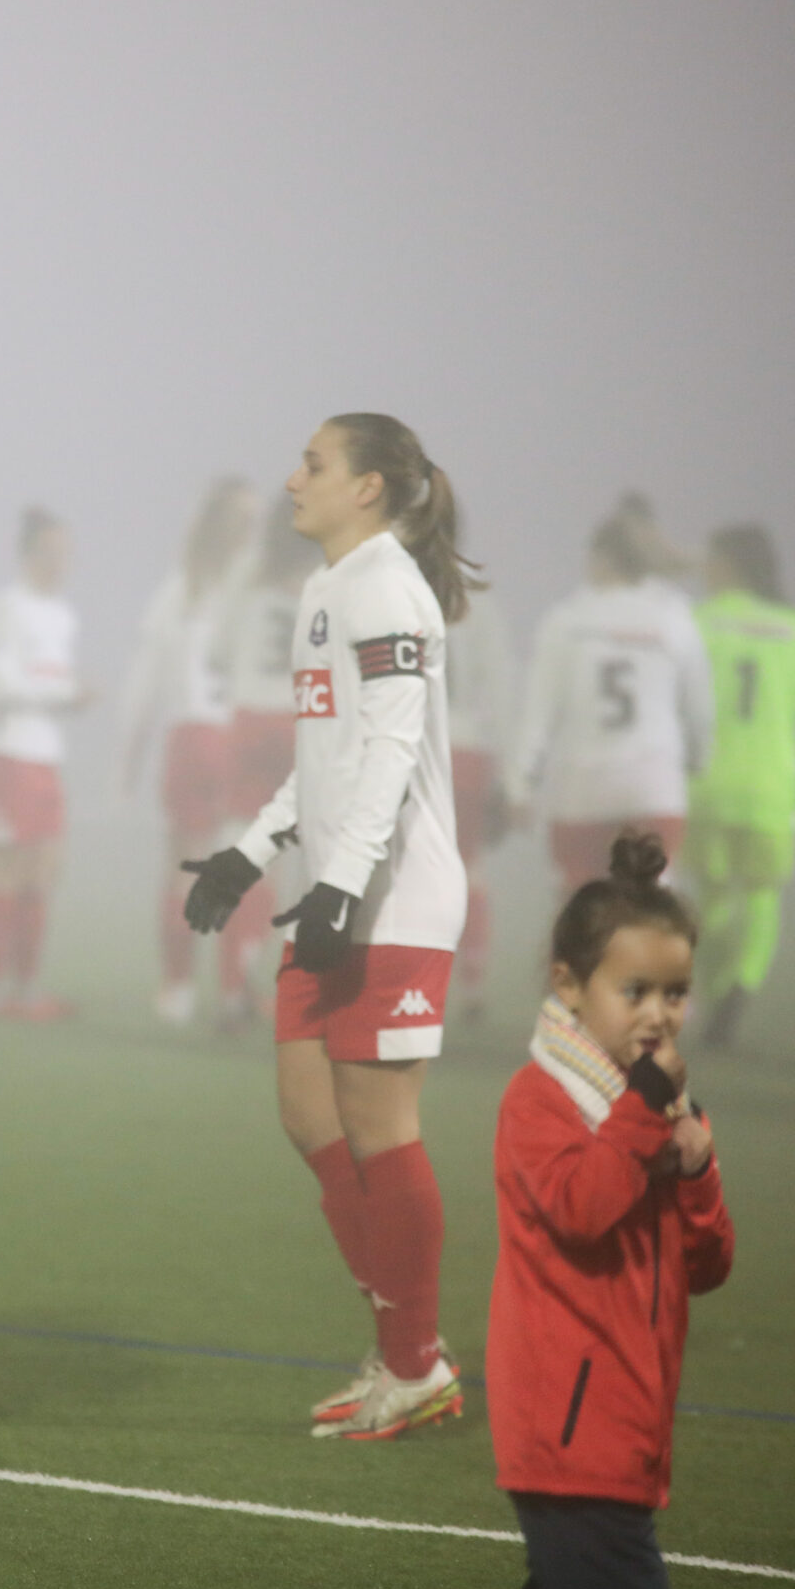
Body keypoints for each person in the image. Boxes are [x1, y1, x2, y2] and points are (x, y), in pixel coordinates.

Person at [180, 413, 473, 1439]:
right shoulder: (325, 589)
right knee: (308, 1116)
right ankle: (407, 1350)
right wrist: (248, 853)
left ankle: (414, 1363)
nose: (291, 477)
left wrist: (343, 887)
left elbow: (391, 757)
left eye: (313, 462)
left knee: (380, 1129)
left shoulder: (389, 586)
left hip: (395, 897)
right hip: (341, 891)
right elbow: (325, 766)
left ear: (370, 487)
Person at [463, 832, 733, 1589]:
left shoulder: (652, 1104)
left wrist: (697, 1173)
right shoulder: (541, 1099)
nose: (659, 1013)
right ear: (570, 986)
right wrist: (647, 1111)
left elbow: (710, 1264)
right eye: (636, 989)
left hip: (628, 1418)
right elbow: (581, 1207)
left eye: (677, 992)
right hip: (569, 1426)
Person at [687, 524, 795, 1047]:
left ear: (729, 565)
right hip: (773, 792)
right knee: (761, 896)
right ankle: (741, 986)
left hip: (706, 786)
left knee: (710, 898)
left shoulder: (701, 622)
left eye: (709, 560)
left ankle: (713, 990)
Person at [504, 514, 712, 895]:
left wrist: (520, 784)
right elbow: (698, 708)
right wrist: (697, 760)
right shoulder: (674, 617)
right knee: (654, 904)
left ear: (600, 558)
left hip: (583, 788)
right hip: (653, 783)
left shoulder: (567, 620)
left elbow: (539, 713)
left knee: (581, 903)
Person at [121, 479, 254, 1024]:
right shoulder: (259, 592)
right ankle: (233, 987)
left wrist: (127, 760)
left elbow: (143, 685)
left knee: (182, 867)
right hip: (241, 736)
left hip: (191, 739)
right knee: (243, 866)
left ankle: (177, 989)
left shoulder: (180, 590)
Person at [0, 505, 92, 1020]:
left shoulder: (63, 616)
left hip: (43, 754)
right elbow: (0, 680)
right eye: (51, 551)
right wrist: (66, 692)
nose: (61, 561)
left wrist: (69, 697)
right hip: (3, 750)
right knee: (7, 868)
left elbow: (46, 685)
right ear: (29, 552)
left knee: (44, 868)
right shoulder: (7, 608)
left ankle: (28, 988)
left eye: (66, 551)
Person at [214, 502, 311, 1028]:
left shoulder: (246, 569)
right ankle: (278, 984)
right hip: (301, 722)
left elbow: (217, 649)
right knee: (290, 864)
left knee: (242, 854)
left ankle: (234, 987)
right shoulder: (328, 572)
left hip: (251, 720)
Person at [447, 577, 520, 1022]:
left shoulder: (386, 584)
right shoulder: (478, 602)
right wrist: (511, 778)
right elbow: (501, 691)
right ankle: (472, 981)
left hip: (407, 747)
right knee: (468, 866)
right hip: (467, 747)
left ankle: (403, 985)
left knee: (395, 871)